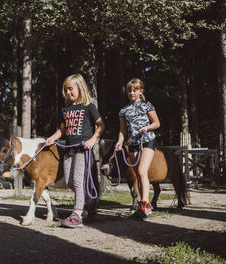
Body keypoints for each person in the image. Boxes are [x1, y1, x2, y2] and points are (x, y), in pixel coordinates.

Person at [45, 74, 105, 228]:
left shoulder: (89, 107)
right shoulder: (66, 109)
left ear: (80, 88)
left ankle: (77, 214)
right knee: (70, 182)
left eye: (71, 89)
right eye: (66, 90)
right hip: (69, 150)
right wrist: (52, 138)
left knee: (78, 181)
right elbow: (62, 130)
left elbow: (101, 125)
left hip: (82, 150)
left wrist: (93, 140)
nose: (68, 92)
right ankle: (91, 201)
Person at [115, 78, 160, 218]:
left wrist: (146, 127)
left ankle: (145, 204)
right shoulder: (123, 110)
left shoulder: (147, 105)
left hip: (147, 141)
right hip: (133, 143)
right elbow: (123, 130)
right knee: (138, 176)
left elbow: (157, 123)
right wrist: (119, 141)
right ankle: (143, 204)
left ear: (141, 91)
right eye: (129, 90)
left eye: (135, 90)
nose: (132, 93)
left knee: (141, 171)